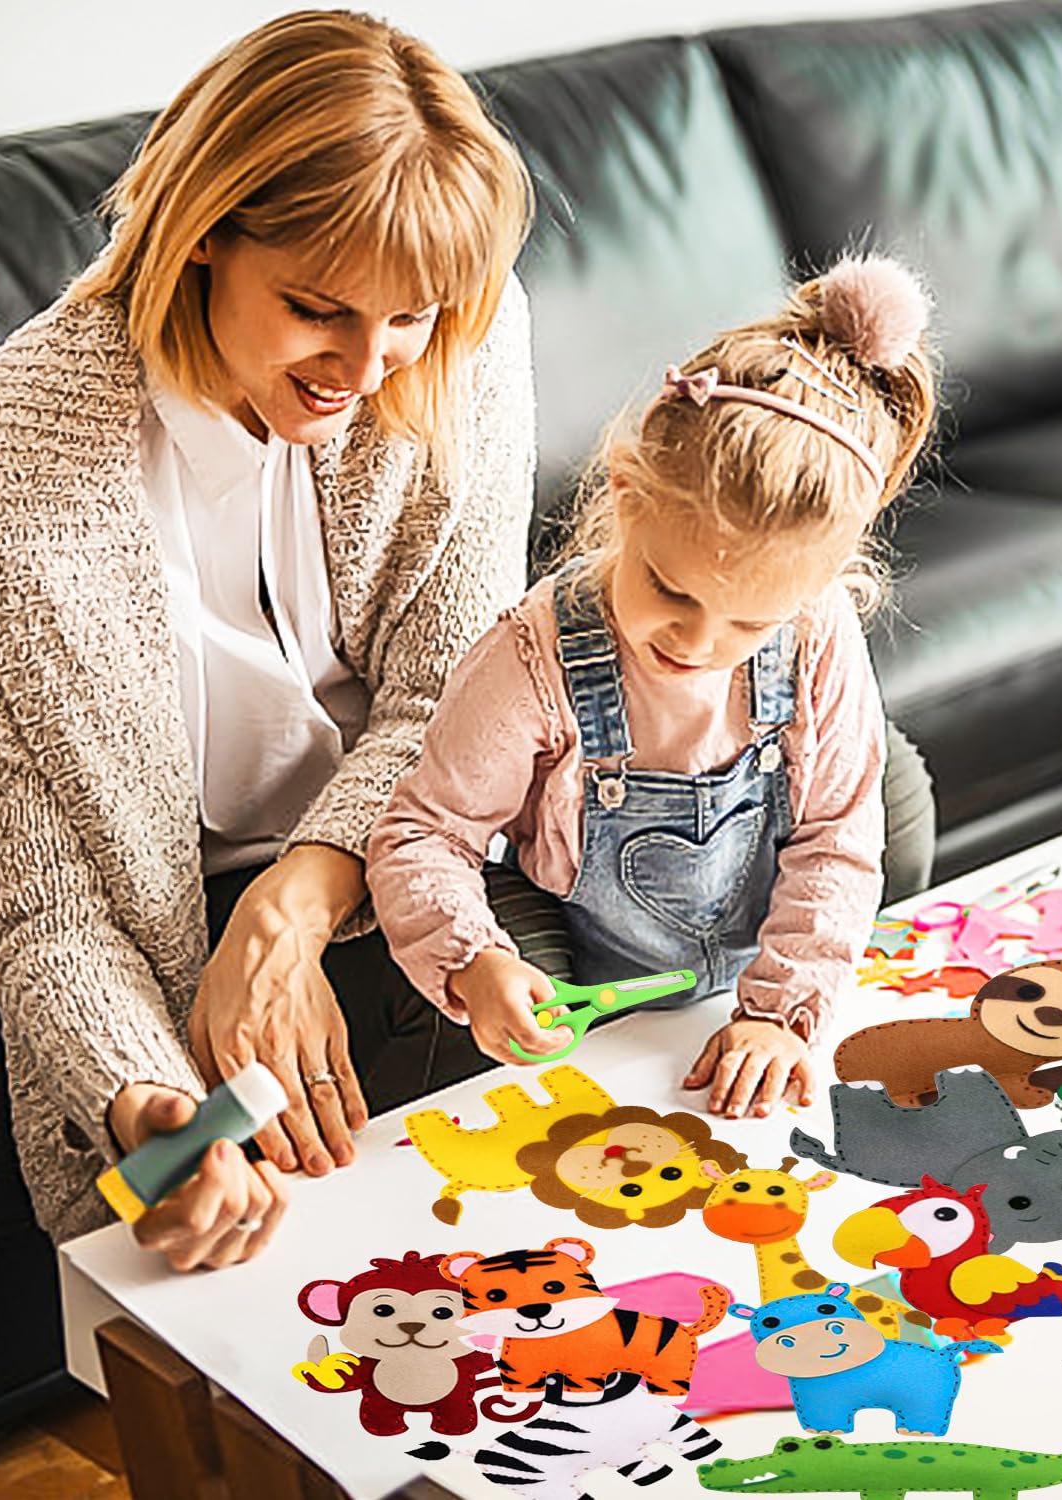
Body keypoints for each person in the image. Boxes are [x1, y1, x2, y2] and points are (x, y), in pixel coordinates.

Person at [0, 10, 542, 1269]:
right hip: (186, 917)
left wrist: (297, 904)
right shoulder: (3, 475)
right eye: (317, 309)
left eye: (410, 317)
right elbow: (47, 900)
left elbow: (455, 695)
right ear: (203, 231)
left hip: (419, 846)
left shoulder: (458, 344)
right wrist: (141, 1107)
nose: (369, 365)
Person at [367, 256, 938, 1120]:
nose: (699, 644)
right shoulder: (533, 654)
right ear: (627, 498)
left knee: (891, 791)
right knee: (502, 1017)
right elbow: (421, 834)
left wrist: (781, 1016)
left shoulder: (818, 629)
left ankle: (808, 972)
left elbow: (836, 840)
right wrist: (475, 962)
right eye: (672, 590)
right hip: (584, 948)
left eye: (751, 624)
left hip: (762, 941)